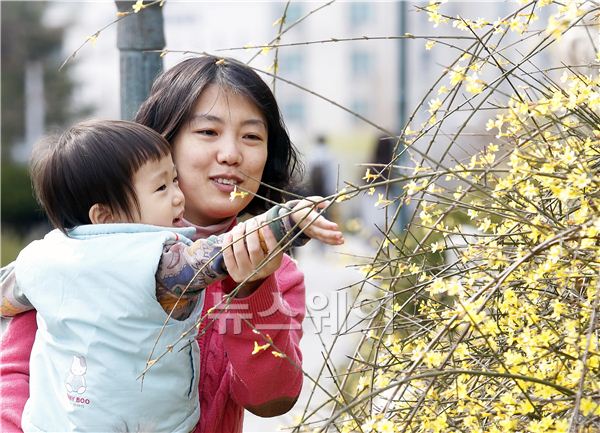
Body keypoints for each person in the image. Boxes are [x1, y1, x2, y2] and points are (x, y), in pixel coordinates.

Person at [0, 55, 340, 433]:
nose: (231, 154)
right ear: (165, 141)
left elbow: (270, 399)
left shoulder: (277, 274)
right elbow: (15, 372)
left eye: (252, 136)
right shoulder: (77, 253)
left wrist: (254, 289)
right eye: (208, 132)